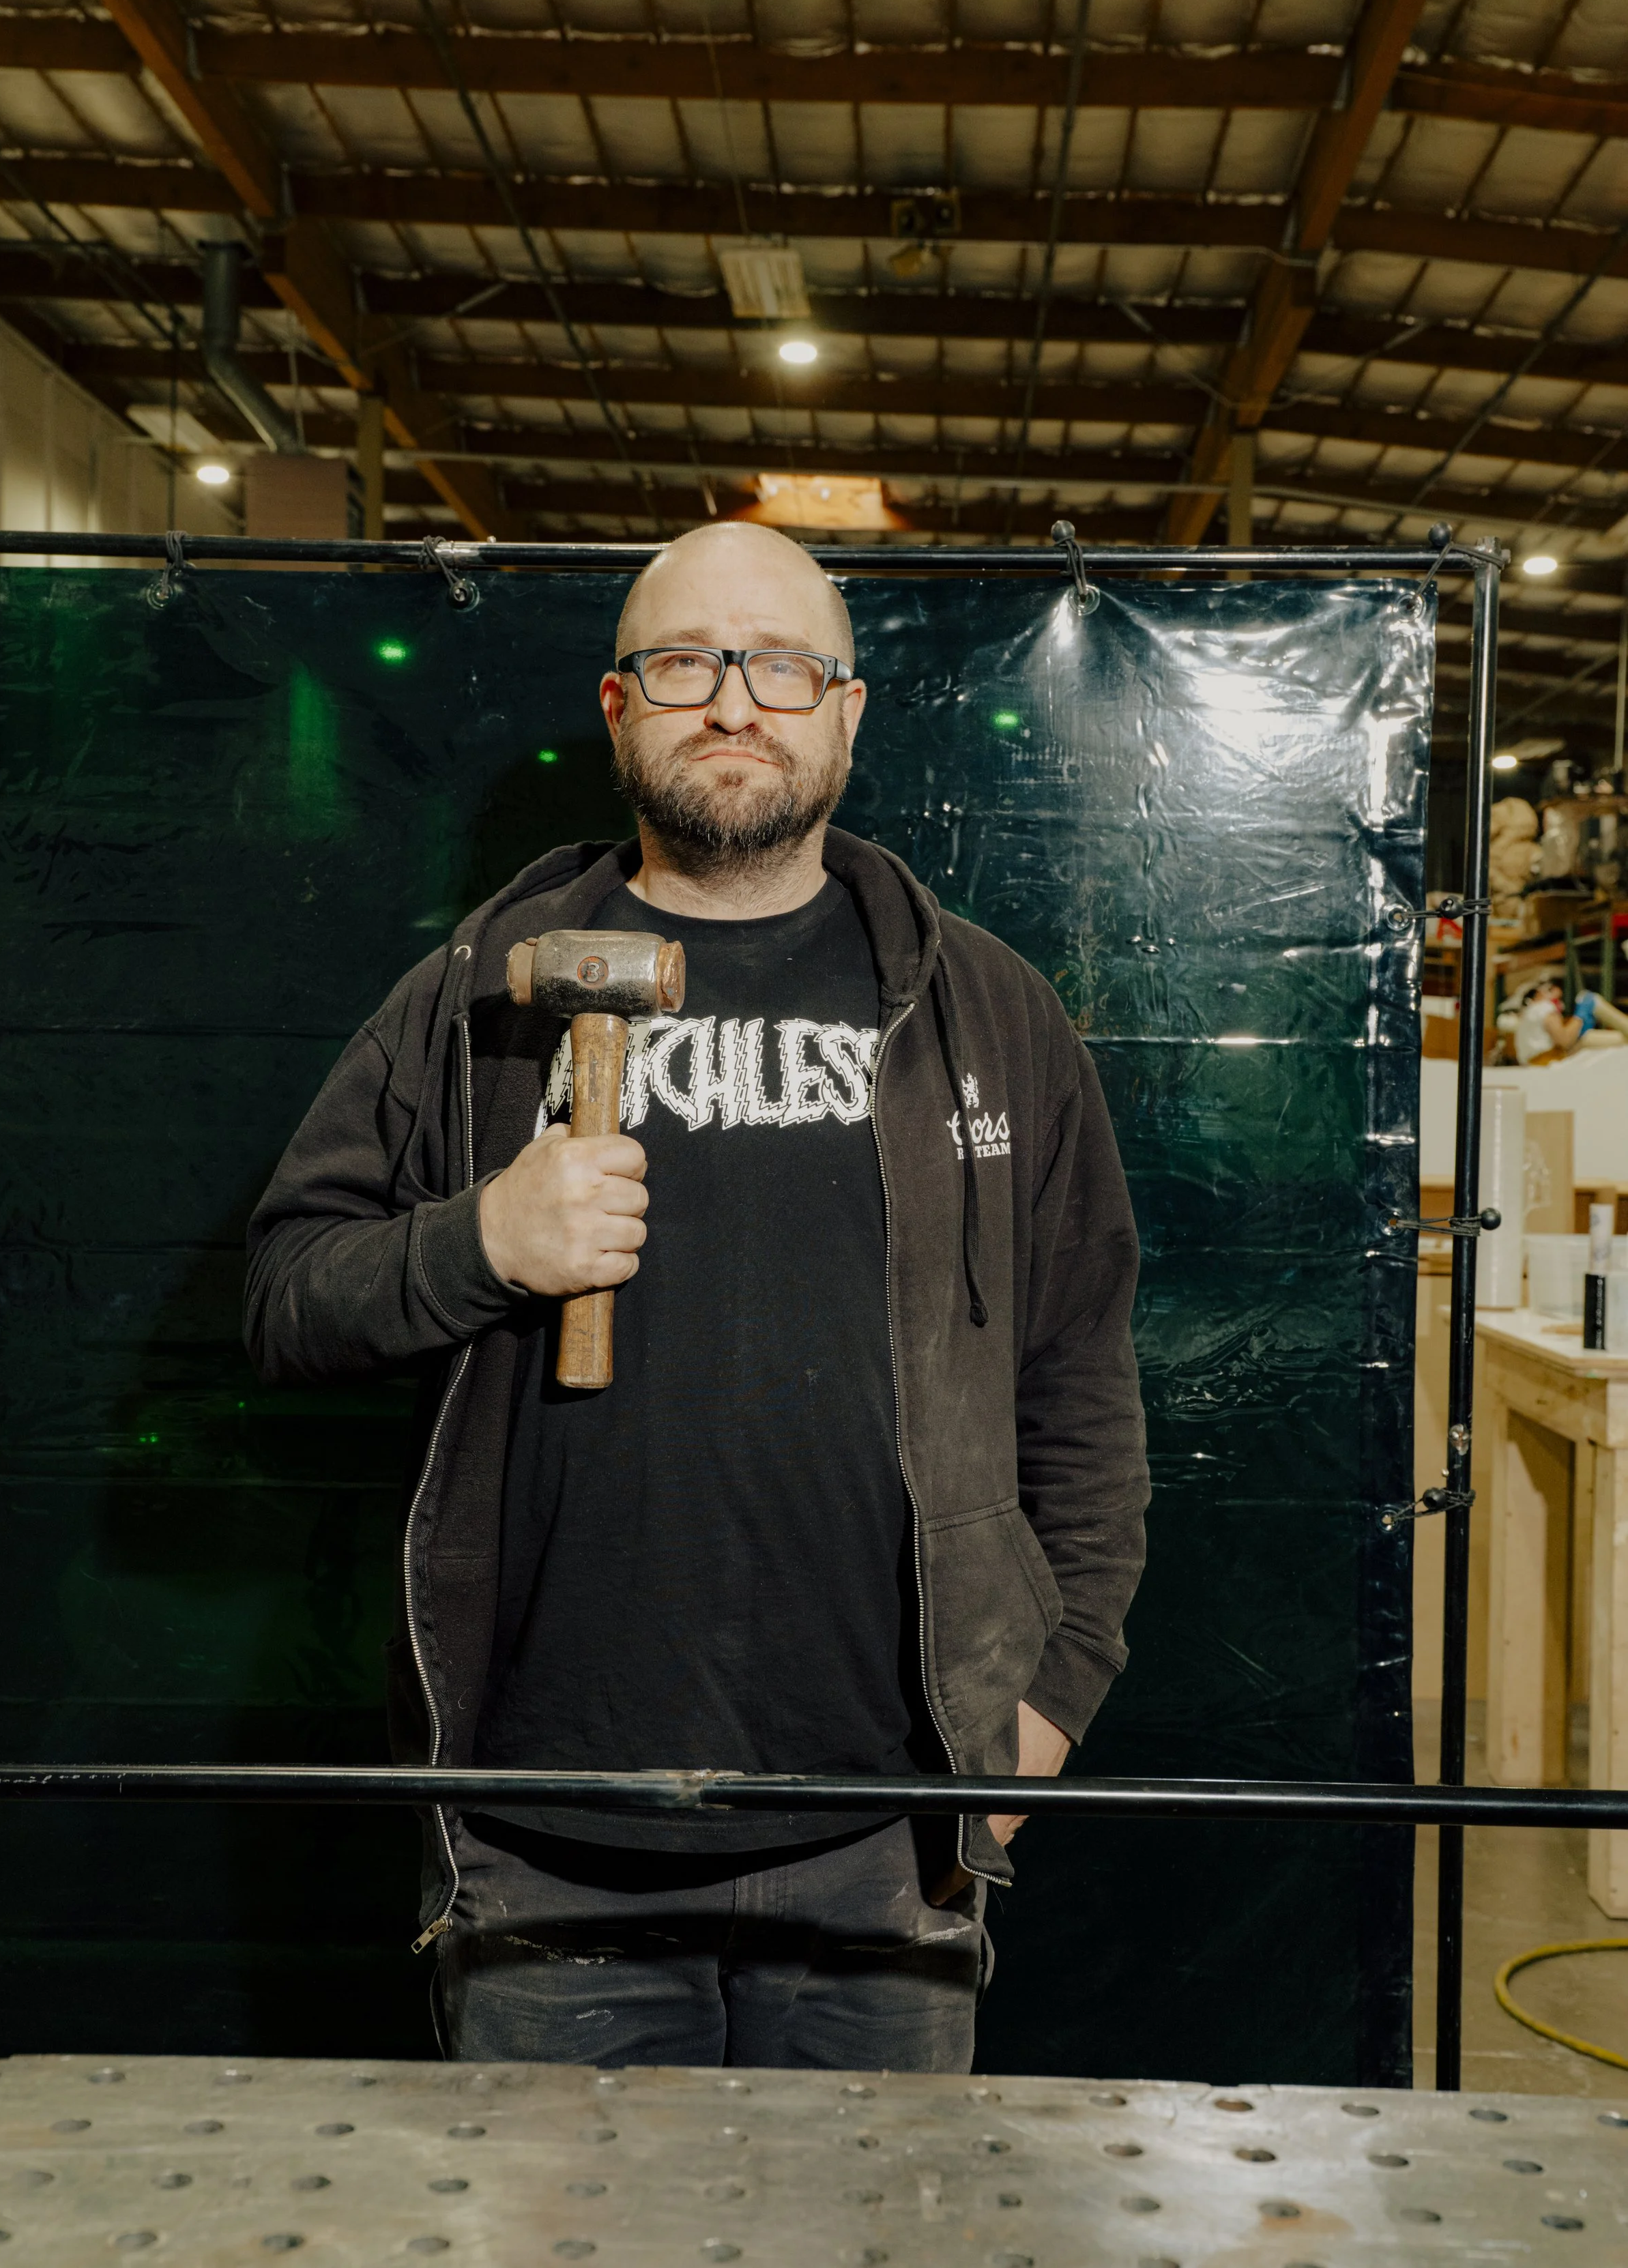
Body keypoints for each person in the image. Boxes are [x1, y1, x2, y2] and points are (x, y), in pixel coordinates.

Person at [244, 522, 1148, 2072]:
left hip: (889, 1848)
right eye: (684, 663)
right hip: (547, 1855)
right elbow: (284, 1299)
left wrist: (1043, 1717)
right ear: (618, 707)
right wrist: (482, 1245)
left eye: (783, 665)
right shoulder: (477, 993)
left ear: (848, 710)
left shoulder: (984, 1012)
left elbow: (1079, 1384)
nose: (735, 703)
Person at [1513, 973, 1628, 1064]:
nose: (1559, 1003)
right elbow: (1564, 1041)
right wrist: (1580, 1017)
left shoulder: (1527, 1015)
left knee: (1616, 1040)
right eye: (1557, 998)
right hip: (1547, 1061)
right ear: (1540, 993)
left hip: (1538, 1062)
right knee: (1594, 1001)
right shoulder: (1544, 1008)